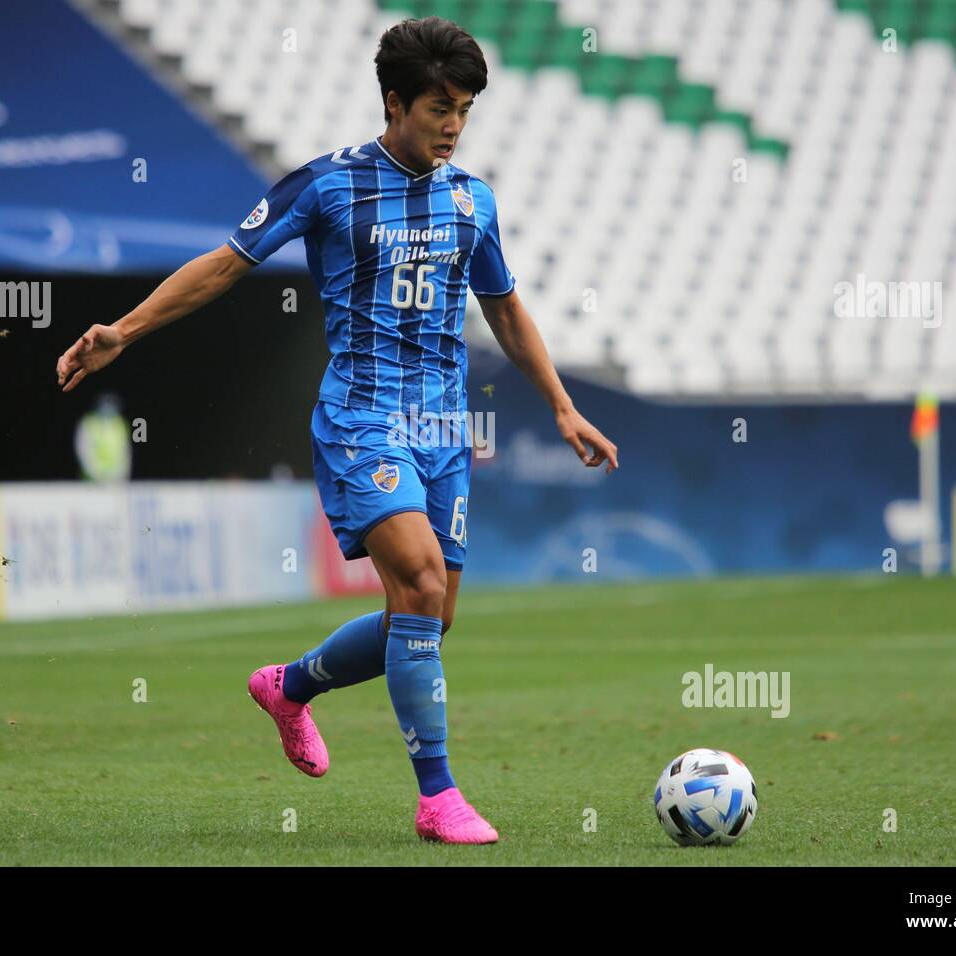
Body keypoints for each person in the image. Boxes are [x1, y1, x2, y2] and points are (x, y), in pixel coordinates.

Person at [56, 16, 618, 845]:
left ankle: (289, 687)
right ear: (395, 103)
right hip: (362, 421)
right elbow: (224, 262)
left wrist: (562, 404)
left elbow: (502, 305)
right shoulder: (327, 186)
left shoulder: (473, 199)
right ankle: (439, 800)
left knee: (426, 618)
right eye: (439, 108)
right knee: (421, 585)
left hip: (443, 428)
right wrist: (124, 332)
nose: (454, 125)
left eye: (464, 109)